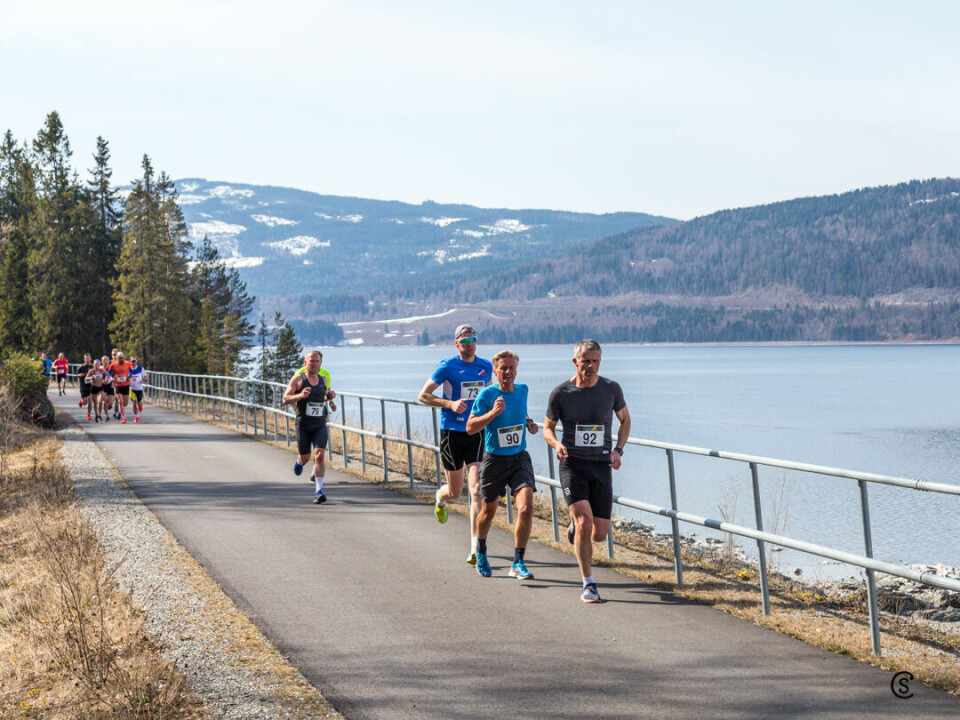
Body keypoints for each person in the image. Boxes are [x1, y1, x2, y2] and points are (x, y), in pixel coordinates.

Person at [542, 339, 631, 603]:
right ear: (575, 361)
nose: (591, 366)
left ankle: (575, 526)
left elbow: (625, 419)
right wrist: (556, 443)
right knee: (585, 521)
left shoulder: (611, 389)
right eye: (586, 361)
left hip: (601, 466)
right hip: (573, 464)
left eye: (595, 361)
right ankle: (588, 583)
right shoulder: (561, 393)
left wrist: (619, 450)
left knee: (599, 534)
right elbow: (547, 427)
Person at [418, 324, 492, 565]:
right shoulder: (447, 366)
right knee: (455, 492)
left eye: (473, 340)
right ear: (456, 343)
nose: (470, 344)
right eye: (465, 341)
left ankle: (474, 547)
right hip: (452, 434)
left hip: (476, 432)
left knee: (476, 489)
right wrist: (449, 404)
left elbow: (490, 394)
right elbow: (423, 395)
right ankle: (440, 500)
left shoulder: (485, 366)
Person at [466, 350, 539, 579]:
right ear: (495, 371)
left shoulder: (523, 390)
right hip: (494, 460)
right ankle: (481, 550)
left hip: (519, 458)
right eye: (503, 368)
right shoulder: (487, 394)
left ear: (516, 370)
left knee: (526, 508)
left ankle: (517, 562)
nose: (508, 372)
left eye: (512, 368)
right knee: (488, 512)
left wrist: (528, 422)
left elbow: (520, 411)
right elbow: (470, 427)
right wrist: (492, 413)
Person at [282, 350, 336, 504]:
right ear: (305, 363)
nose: (314, 363)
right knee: (305, 458)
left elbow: (323, 396)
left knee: (319, 455)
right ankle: (299, 462)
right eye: (311, 361)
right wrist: (299, 396)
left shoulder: (323, 379)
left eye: (317, 361)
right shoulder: (298, 379)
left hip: (319, 423)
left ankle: (319, 492)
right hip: (304, 424)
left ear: (320, 364)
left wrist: (329, 397)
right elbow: (285, 398)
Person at [109, 352, 134, 424]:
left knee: (125, 403)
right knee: (120, 401)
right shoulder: (113, 364)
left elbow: (131, 371)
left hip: (126, 384)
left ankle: (120, 410)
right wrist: (110, 377)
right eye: (120, 358)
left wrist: (130, 376)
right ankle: (124, 418)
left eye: (122, 358)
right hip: (118, 385)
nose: (121, 359)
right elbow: (109, 371)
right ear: (117, 358)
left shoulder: (128, 363)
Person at [128, 356, 147, 422]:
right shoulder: (128, 369)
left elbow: (145, 376)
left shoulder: (140, 368)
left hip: (139, 388)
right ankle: (136, 416)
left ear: (136, 361)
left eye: (134, 361)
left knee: (139, 404)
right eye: (132, 361)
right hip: (131, 388)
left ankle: (140, 406)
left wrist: (144, 380)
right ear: (130, 362)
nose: (133, 362)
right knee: (133, 403)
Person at [76, 353, 94, 417]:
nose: (87, 359)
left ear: (91, 358)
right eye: (86, 358)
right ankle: (82, 401)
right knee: (85, 402)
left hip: (91, 386)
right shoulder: (81, 367)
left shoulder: (93, 366)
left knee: (90, 400)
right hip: (83, 386)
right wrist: (79, 375)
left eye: (88, 358)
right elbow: (76, 374)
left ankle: (89, 414)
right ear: (84, 359)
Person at [99, 355, 115, 422]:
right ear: (101, 362)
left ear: (109, 361)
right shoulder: (99, 369)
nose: (105, 361)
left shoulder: (112, 369)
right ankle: (106, 416)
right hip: (102, 387)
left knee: (110, 404)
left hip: (110, 387)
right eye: (103, 360)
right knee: (104, 400)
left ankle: (106, 412)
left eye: (106, 360)